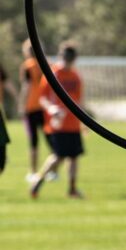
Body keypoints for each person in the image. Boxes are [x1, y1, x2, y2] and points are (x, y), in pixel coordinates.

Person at [31, 41, 85, 199]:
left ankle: (72, 188)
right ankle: (38, 181)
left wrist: (83, 122)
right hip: (59, 123)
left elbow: (79, 100)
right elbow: (43, 98)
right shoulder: (53, 74)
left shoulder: (75, 75)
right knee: (58, 156)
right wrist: (51, 109)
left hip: (73, 123)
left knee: (74, 156)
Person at [19, 38, 48, 180]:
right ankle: (51, 171)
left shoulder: (27, 66)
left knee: (33, 141)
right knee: (50, 139)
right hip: (45, 106)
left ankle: (33, 171)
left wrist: (21, 105)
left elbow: (26, 87)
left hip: (31, 107)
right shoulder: (45, 64)